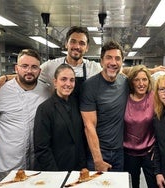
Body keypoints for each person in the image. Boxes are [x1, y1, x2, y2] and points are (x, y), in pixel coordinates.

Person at [0, 49, 50, 172]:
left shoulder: (46, 91)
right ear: (16, 68)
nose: (29, 71)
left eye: (34, 67)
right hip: (6, 165)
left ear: (39, 71)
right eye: (24, 66)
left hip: (37, 165)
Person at [0, 26, 102, 97]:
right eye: (73, 42)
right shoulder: (51, 66)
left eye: (82, 43)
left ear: (87, 48)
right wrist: (5, 78)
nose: (77, 46)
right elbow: (30, 73)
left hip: (85, 118)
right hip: (60, 118)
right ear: (66, 44)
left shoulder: (94, 68)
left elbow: (114, 76)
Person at [80, 40, 129, 172]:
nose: (113, 62)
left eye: (117, 58)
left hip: (120, 151)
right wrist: (98, 160)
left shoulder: (125, 82)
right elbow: (89, 126)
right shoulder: (90, 86)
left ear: (121, 62)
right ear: (101, 61)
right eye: (109, 58)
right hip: (98, 152)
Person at [34, 64, 86, 171]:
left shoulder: (77, 104)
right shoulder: (45, 109)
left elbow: (80, 139)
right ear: (55, 82)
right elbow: (42, 149)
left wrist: (82, 166)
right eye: (63, 79)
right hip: (55, 169)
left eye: (72, 80)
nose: (68, 84)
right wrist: (56, 175)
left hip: (76, 169)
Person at [123, 65, 157, 188]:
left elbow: (163, 123)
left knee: (154, 184)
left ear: (149, 81)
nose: (141, 83)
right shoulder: (124, 98)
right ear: (131, 82)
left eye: (144, 79)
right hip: (128, 153)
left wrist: (157, 146)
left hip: (149, 152)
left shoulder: (155, 97)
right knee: (132, 185)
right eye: (137, 80)